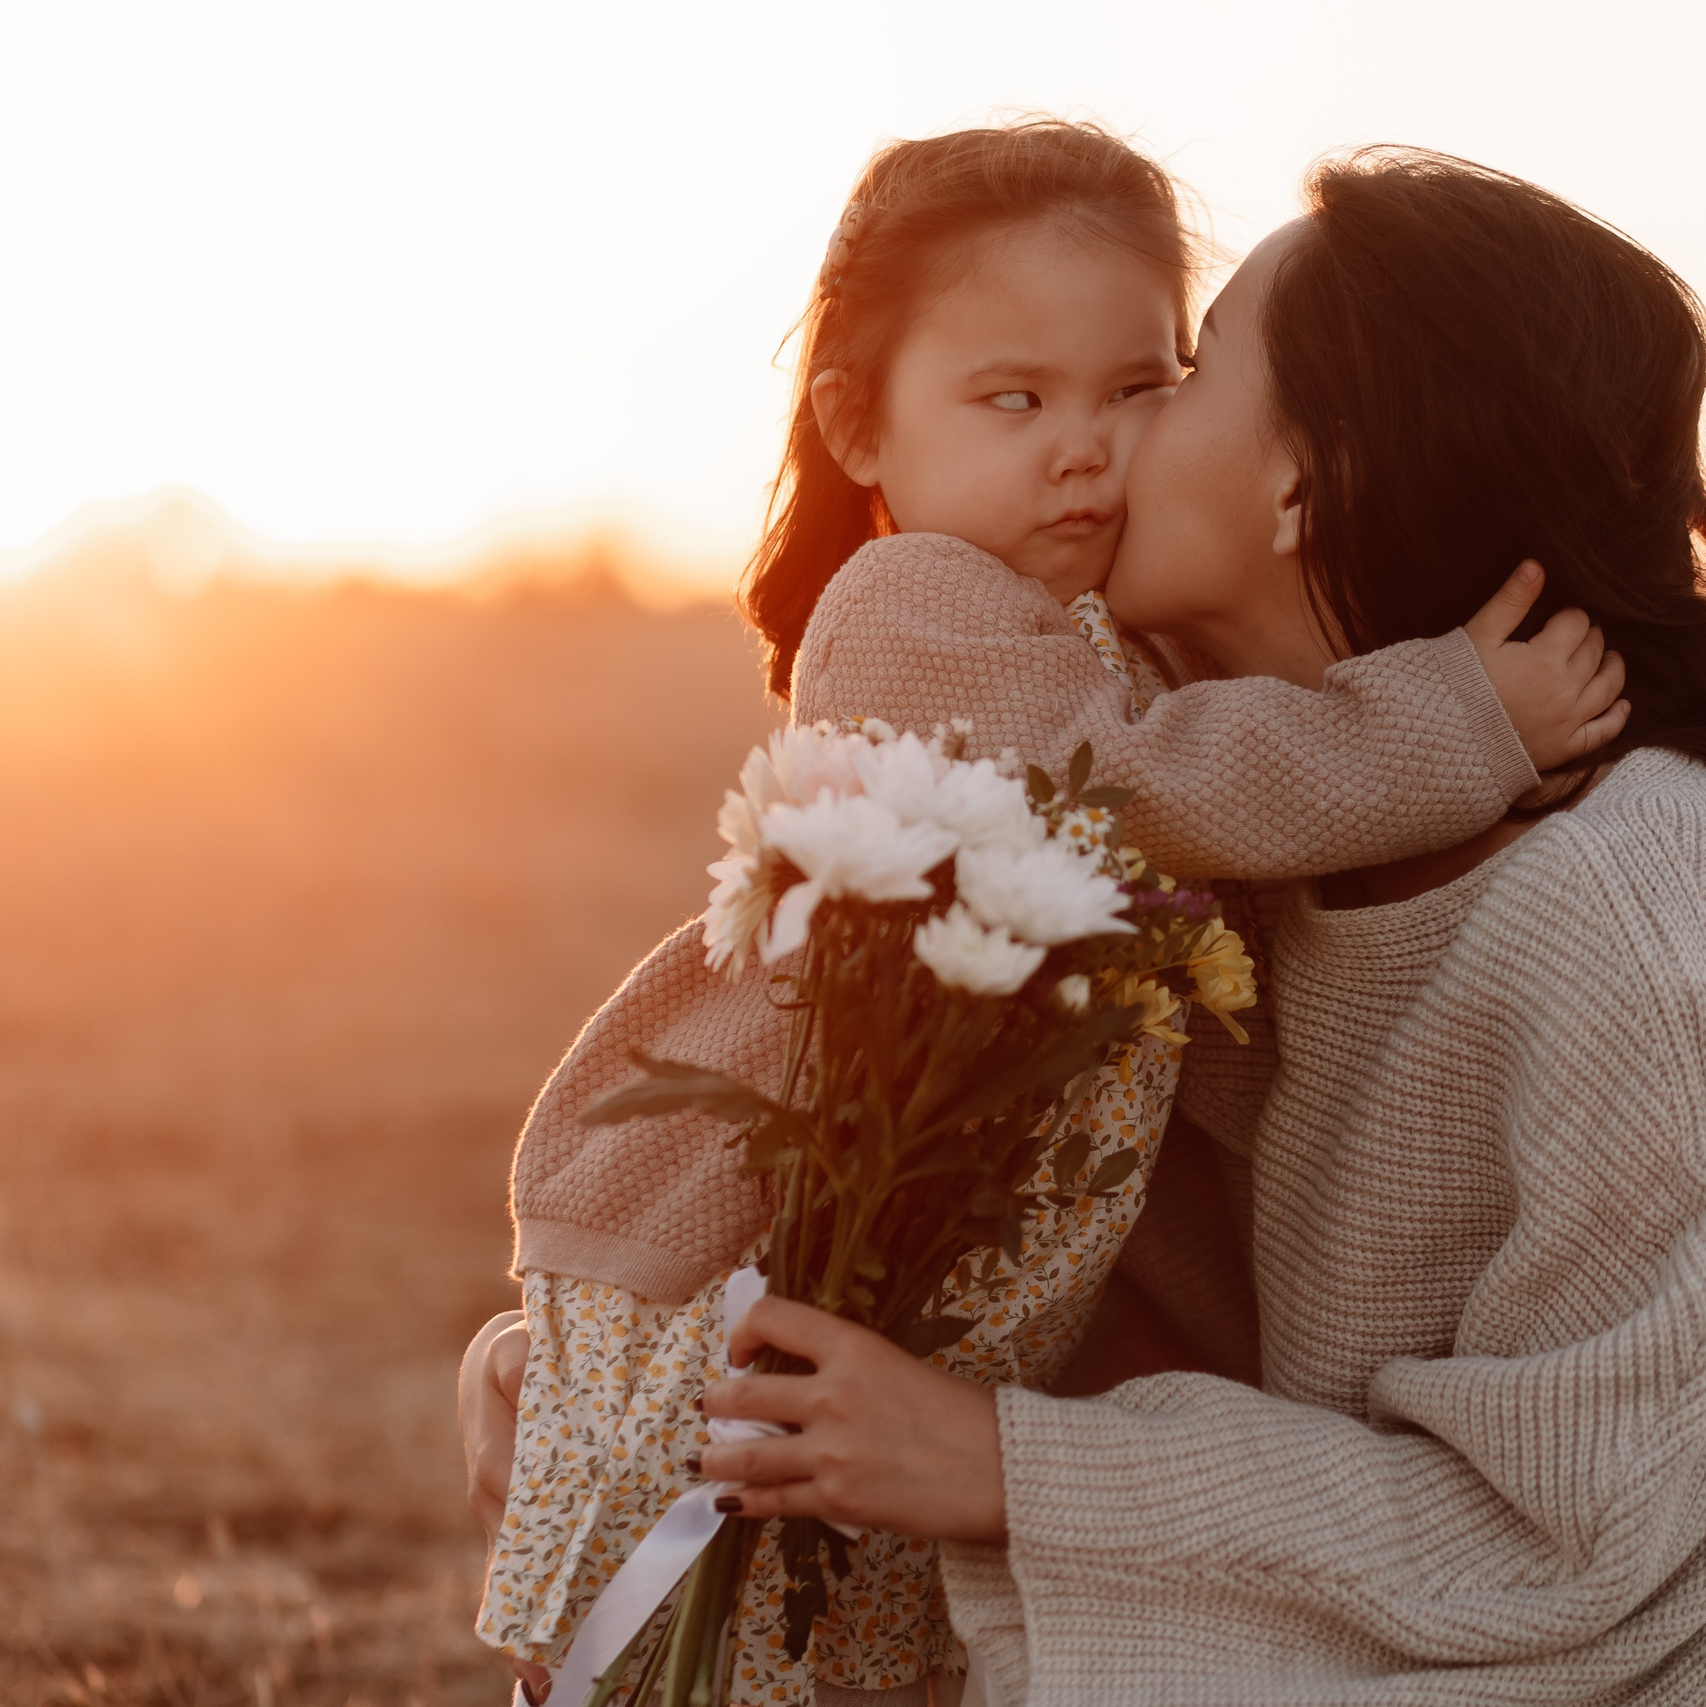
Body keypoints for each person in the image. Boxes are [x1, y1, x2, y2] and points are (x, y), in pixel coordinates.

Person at [604, 152, 1706, 1705]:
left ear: (1305, 481)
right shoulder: (1219, 795)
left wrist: (1009, 1471)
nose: (1100, 442)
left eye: (1180, 371)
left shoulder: (1641, 910)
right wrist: (586, 1370)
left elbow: (1566, 1541)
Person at [471, 122, 1627, 1707]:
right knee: (706, 1601)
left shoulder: (1095, 625)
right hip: (778, 1232)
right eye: (1014, 400)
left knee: (863, 1628)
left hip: (942, 1262)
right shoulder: (910, 609)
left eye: (1139, 388)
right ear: (857, 426)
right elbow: (1147, 789)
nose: (1086, 446)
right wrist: (1458, 720)